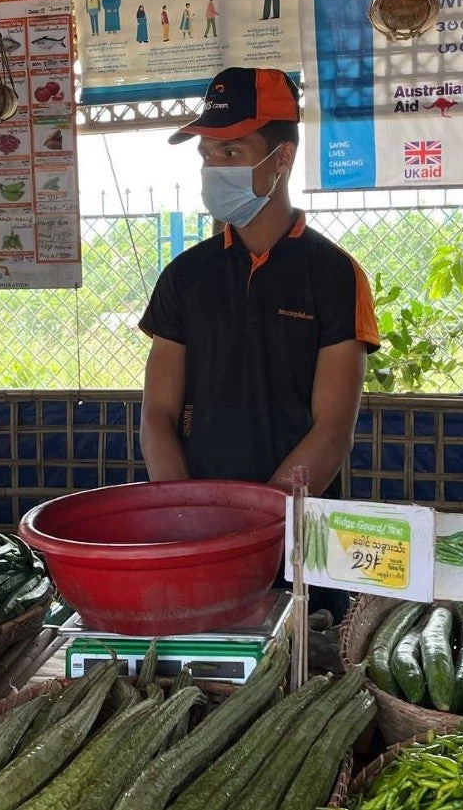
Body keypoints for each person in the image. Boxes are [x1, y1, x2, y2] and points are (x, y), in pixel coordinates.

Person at [139, 67, 381, 621]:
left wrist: (260, 525)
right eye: (207, 153)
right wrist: (188, 519)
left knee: (305, 669)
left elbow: (332, 431)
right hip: (197, 536)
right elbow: (157, 415)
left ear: (282, 157)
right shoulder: (185, 276)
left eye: (232, 151)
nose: (213, 167)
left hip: (299, 536)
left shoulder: (335, 276)